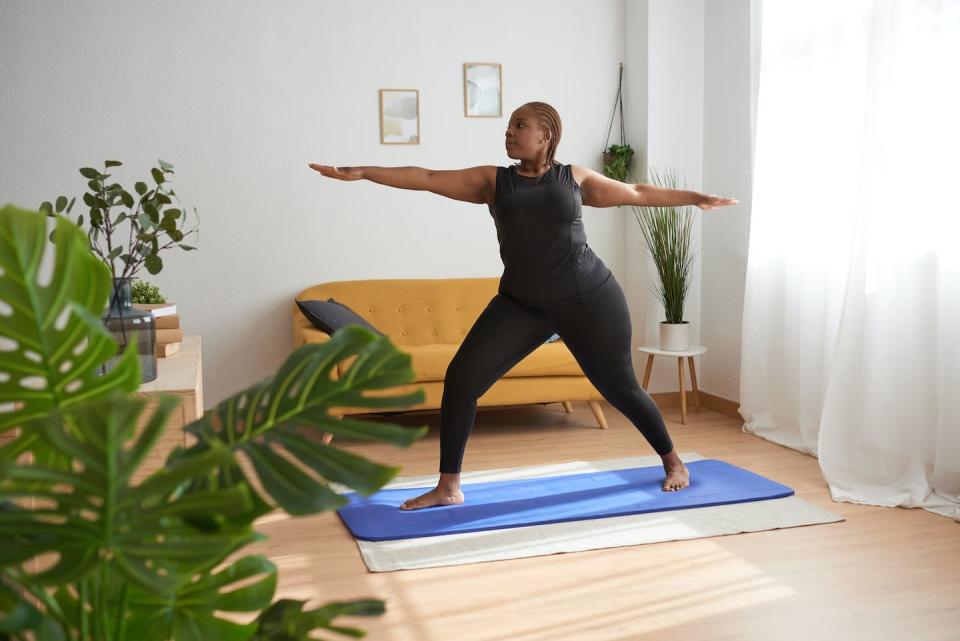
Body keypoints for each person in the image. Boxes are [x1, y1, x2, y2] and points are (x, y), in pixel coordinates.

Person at [309, 101, 738, 511]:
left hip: (589, 297)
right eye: (509, 125)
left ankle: (672, 461)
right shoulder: (493, 181)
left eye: (518, 125)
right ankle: (448, 487)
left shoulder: (575, 178)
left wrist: (693, 197)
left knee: (619, 387)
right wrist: (363, 171)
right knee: (462, 378)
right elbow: (425, 176)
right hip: (523, 303)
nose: (509, 132)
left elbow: (636, 192)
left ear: (545, 135)